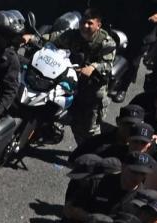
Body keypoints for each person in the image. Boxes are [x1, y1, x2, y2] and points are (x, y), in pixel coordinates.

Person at [45, 9, 118, 143]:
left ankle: (89, 156)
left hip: (92, 88)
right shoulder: (73, 35)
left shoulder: (106, 42)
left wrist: (93, 67)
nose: (85, 26)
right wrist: (32, 38)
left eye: (90, 23)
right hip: (69, 79)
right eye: (83, 22)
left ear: (98, 25)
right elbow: (54, 38)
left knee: (88, 130)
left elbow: (108, 65)